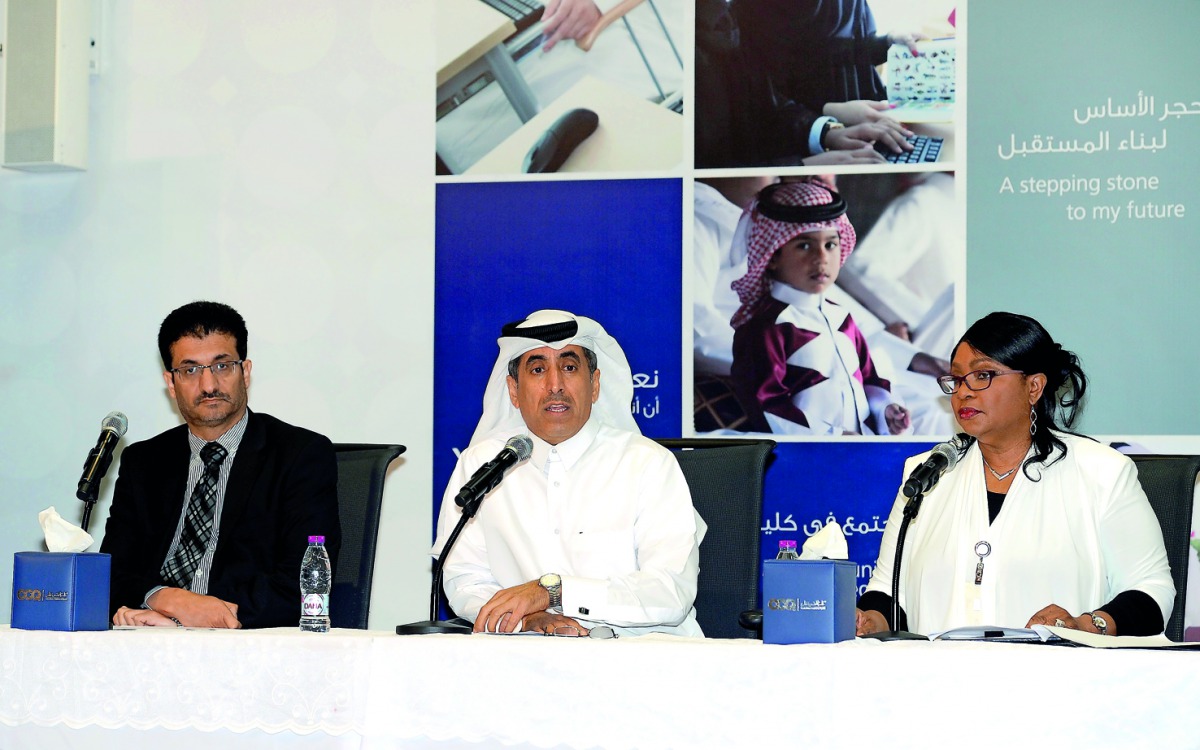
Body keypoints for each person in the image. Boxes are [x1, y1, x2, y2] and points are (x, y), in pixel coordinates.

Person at [857, 312, 1174, 636]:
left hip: (1061, 679)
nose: (963, 392)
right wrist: (870, 619)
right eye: (956, 379)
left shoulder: (1101, 471)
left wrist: (1085, 625)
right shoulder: (927, 474)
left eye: (982, 376)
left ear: (1033, 386)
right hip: (941, 680)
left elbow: (1151, 592)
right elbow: (888, 592)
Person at [432, 309, 706, 636]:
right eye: (537, 369)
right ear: (514, 391)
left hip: (642, 662)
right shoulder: (483, 467)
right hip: (526, 658)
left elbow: (670, 590)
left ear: (595, 384)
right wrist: (524, 620)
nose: (555, 385)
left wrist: (554, 592)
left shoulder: (647, 463)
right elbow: (466, 579)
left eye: (570, 367)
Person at [101, 301, 340, 629]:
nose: (209, 386)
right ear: (171, 383)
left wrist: (197, 614)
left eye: (222, 366)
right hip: (150, 637)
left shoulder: (300, 455)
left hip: (250, 646)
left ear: (245, 371)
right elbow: (111, 573)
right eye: (190, 370)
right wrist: (164, 598)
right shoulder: (144, 462)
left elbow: (303, 584)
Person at [728, 180, 911, 436]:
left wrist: (886, 410)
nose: (822, 258)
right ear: (772, 256)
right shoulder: (766, 327)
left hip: (860, 448)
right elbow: (767, 406)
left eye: (830, 245)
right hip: (810, 459)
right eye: (804, 246)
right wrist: (834, 437)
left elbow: (868, 379)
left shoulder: (841, 317)